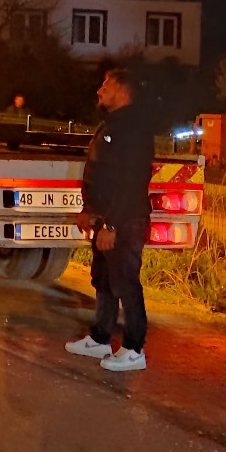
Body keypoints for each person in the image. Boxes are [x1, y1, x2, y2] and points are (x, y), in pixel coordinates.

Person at [67, 67, 153, 372]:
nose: (99, 90)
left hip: (124, 222)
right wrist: (90, 211)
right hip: (104, 220)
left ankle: (133, 348)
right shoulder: (112, 126)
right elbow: (102, 175)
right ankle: (100, 338)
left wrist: (112, 225)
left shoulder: (134, 130)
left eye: (106, 85)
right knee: (103, 279)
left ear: (123, 91)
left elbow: (131, 182)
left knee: (125, 283)